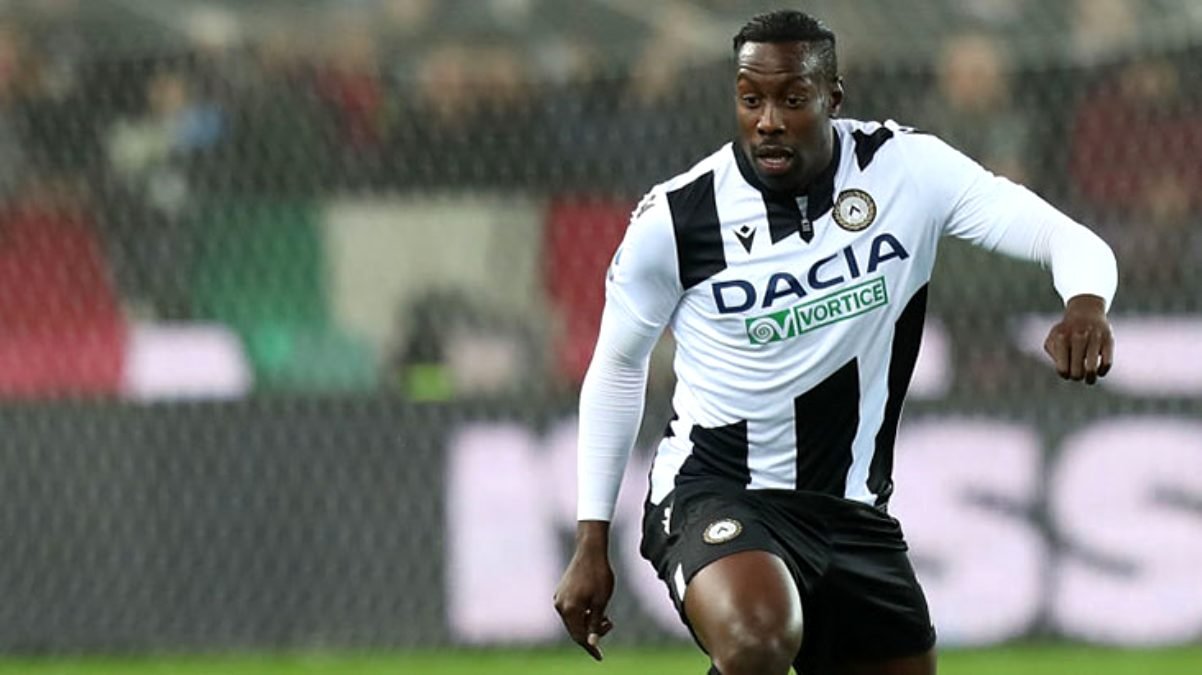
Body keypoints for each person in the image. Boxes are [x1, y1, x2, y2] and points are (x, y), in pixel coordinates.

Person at [553, 9, 1117, 675]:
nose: (768, 120)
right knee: (758, 640)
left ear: (833, 98)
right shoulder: (677, 220)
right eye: (750, 99)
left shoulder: (906, 170)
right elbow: (618, 366)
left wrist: (1085, 304)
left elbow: (1065, 238)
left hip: (852, 512)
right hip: (719, 490)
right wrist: (591, 538)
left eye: (792, 99)